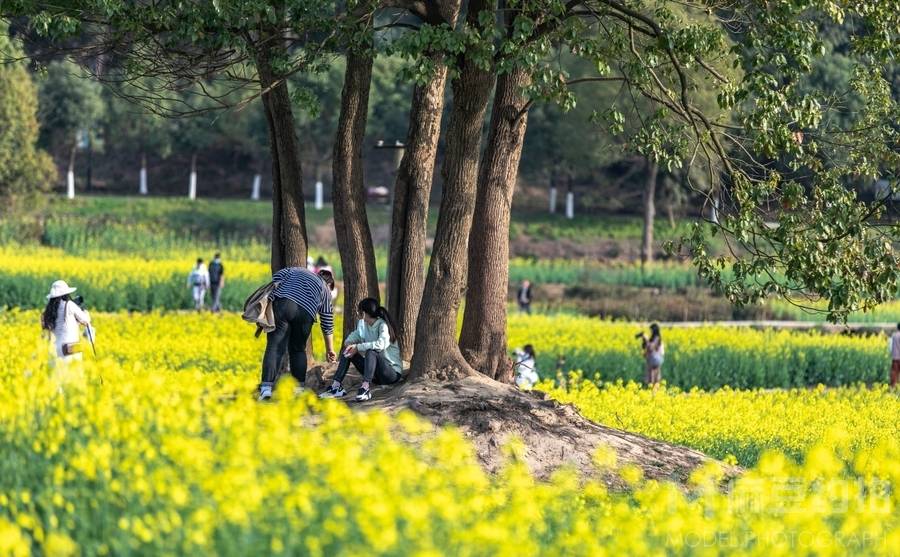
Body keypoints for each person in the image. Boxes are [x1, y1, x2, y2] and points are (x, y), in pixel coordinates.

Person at [258, 267, 337, 401]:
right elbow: (327, 322)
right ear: (329, 284)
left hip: (283, 304)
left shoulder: (297, 270)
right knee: (298, 350)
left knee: (274, 347)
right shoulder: (325, 290)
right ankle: (298, 389)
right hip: (305, 313)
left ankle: (266, 389)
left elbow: (277, 277)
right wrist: (330, 349)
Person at [319, 298, 403, 402]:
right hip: (375, 376)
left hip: (391, 374)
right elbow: (356, 336)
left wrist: (358, 347)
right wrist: (349, 344)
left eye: (359, 311)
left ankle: (365, 388)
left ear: (364, 313)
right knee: (349, 351)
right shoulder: (363, 324)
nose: (357, 313)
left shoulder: (382, 325)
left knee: (371, 351)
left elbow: (381, 345)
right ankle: (336, 387)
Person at [41, 280, 92, 363]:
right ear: (65, 294)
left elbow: (60, 326)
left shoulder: (47, 311)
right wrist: (85, 312)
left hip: (55, 351)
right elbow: (86, 320)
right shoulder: (69, 305)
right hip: (70, 350)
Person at [890, 323, 900, 388]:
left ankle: (893, 387)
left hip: (895, 357)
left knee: (894, 373)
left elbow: (890, 346)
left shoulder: (894, 335)